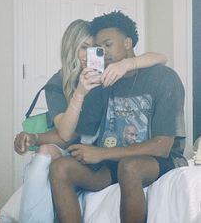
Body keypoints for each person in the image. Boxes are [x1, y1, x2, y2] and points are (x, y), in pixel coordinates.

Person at [14, 18, 168, 223]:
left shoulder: (108, 71)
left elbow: (161, 58)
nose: (90, 55)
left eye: (95, 49)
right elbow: (68, 134)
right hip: (75, 144)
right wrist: (80, 92)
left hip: (98, 148)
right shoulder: (58, 83)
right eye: (84, 48)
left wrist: (125, 64)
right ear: (71, 48)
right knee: (46, 154)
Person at [49, 11, 188, 223]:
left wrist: (101, 153)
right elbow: (76, 132)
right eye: (99, 48)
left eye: (108, 44)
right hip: (114, 163)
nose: (103, 52)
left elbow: (162, 146)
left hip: (160, 161)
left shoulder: (164, 78)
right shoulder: (102, 83)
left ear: (127, 42)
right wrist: (34, 138)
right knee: (60, 168)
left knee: (130, 166)